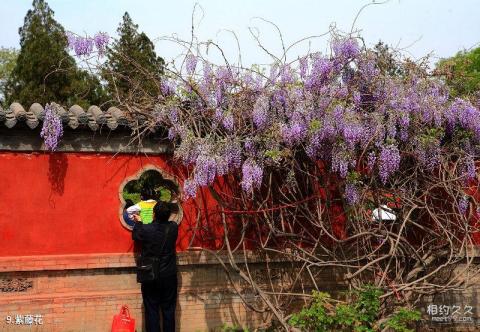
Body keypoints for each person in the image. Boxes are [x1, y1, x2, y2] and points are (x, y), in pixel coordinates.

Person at [132, 201, 180, 332]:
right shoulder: (174, 227)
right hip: (169, 276)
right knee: (169, 310)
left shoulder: (146, 229)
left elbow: (136, 236)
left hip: (150, 275)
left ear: (153, 214)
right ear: (169, 215)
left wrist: (138, 222)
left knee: (151, 310)